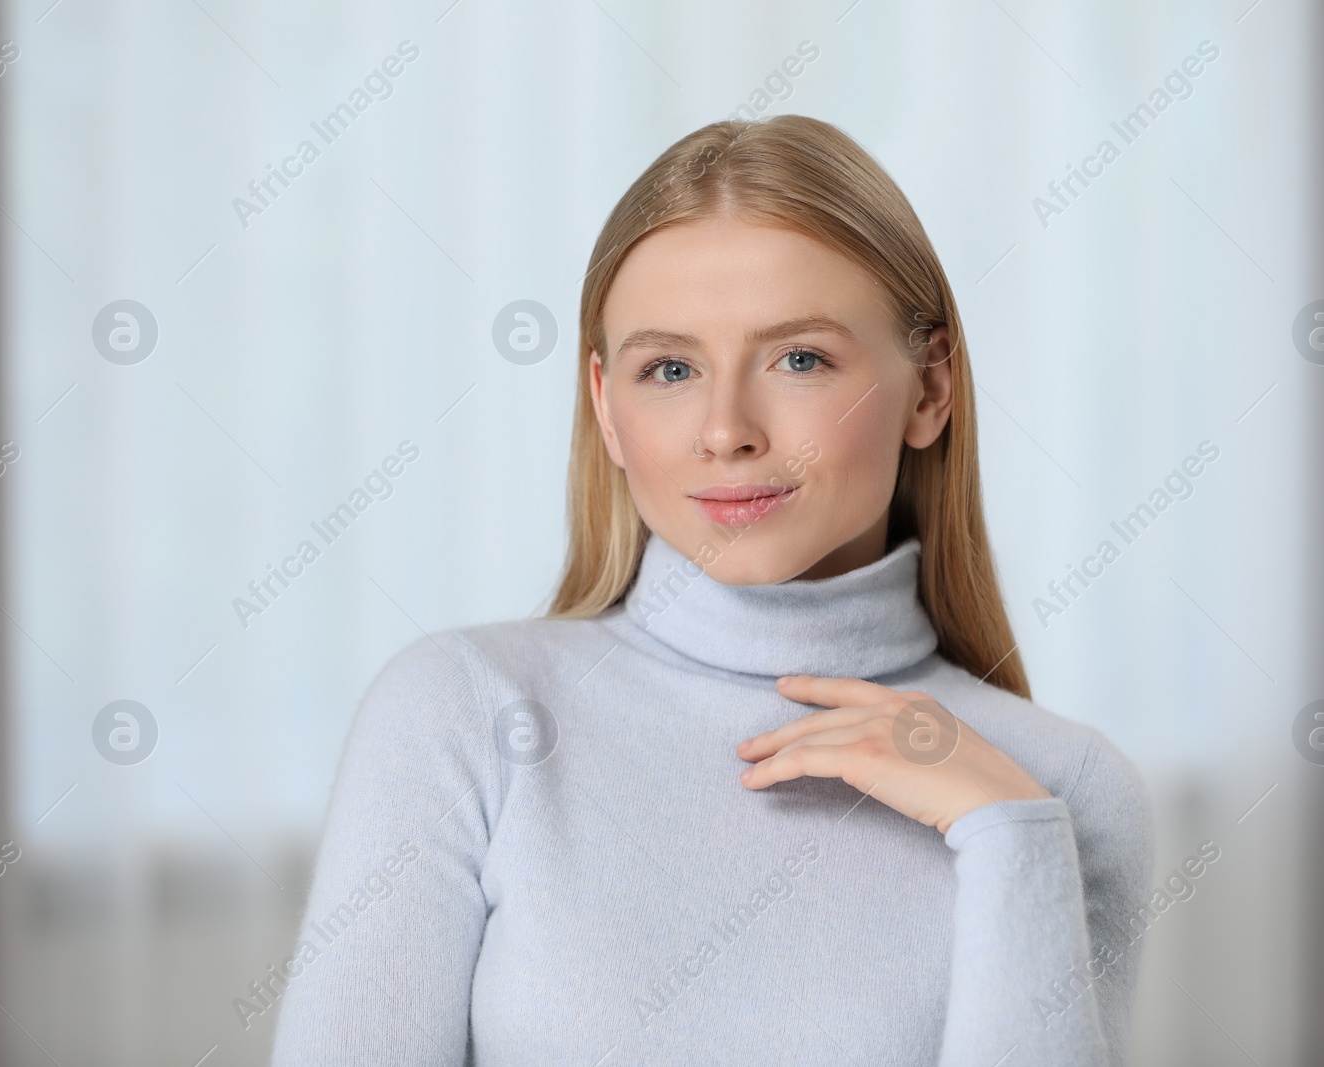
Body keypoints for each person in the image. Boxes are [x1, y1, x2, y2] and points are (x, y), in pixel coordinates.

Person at [270, 114, 1153, 1067]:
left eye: (799, 358)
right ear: (607, 407)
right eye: (672, 369)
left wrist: (1008, 836)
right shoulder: (463, 712)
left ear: (930, 388)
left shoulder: (1059, 787)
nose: (726, 429)